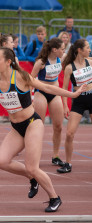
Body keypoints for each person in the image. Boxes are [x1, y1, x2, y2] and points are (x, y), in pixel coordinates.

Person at [0, 47, 86, 212]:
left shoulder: (22, 77)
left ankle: (54, 197)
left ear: (8, 62)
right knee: (1, 161)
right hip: (16, 127)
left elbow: (48, 88)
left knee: (32, 166)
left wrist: (72, 95)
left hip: (32, 123)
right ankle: (32, 178)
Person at [58, 39, 92, 173]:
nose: (89, 50)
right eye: (87, 47)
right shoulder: (69, 67)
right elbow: (65, 88)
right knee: (69, 133)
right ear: (79, 50)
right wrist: (65, 106)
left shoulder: (90, 62)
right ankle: (68, 163)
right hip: (78, 100)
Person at [30, 38, 66, 167]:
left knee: (58, 126)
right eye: (62, 48)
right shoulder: (41, 62)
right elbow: (30, 80)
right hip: (41, 92)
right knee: (39, 127)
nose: (64, 51)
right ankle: (35, 157)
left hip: (54, 92)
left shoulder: (61, 58)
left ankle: (55, 156)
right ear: (54, 50)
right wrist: (30, 100)